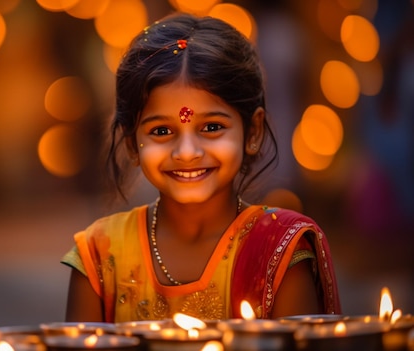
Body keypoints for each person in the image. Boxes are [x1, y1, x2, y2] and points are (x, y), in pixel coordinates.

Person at [60, 12, 341, 323]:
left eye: (211, 127)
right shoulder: (101, 255)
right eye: (161, 132)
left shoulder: (279, 250)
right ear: (131, 143)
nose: (187, 152)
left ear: (253, 132)